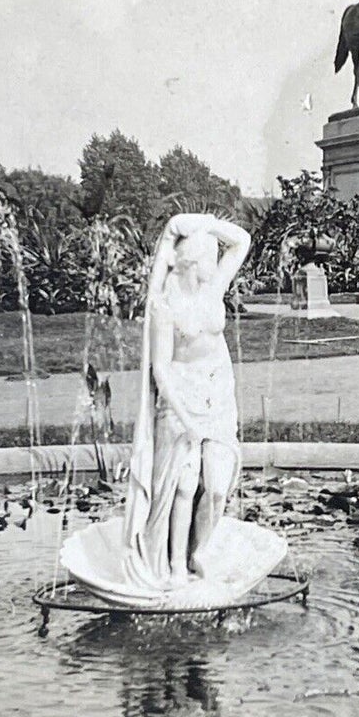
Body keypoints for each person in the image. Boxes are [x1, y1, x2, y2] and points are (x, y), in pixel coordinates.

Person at [121, 213, 251, 588]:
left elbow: (241, 241)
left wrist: (203, 224)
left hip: (218, 395)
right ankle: (177, 563)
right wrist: (185, 417)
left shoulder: (214, 290)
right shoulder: (165, 307)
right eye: (210, 257)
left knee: (216, 486)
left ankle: (200, 552)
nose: (216, 264)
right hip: (181, 399)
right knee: (181, 484)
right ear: (194, 262)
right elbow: (160, 370)